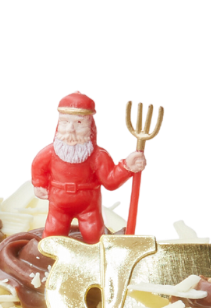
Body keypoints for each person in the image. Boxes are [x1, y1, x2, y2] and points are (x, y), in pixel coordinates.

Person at [29, 90, 148, 244]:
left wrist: (127, 166)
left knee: (94, 236)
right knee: (52, 235)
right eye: (65, 122)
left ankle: (97, 255)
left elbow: (110, 181)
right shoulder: (49, 153)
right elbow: (38, 166)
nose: (70, 129)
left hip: (89, 206)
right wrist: (39, 184)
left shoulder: (98, 155)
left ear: (90, 126)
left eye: (79, 123)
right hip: (58, 203)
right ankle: (47, 256)